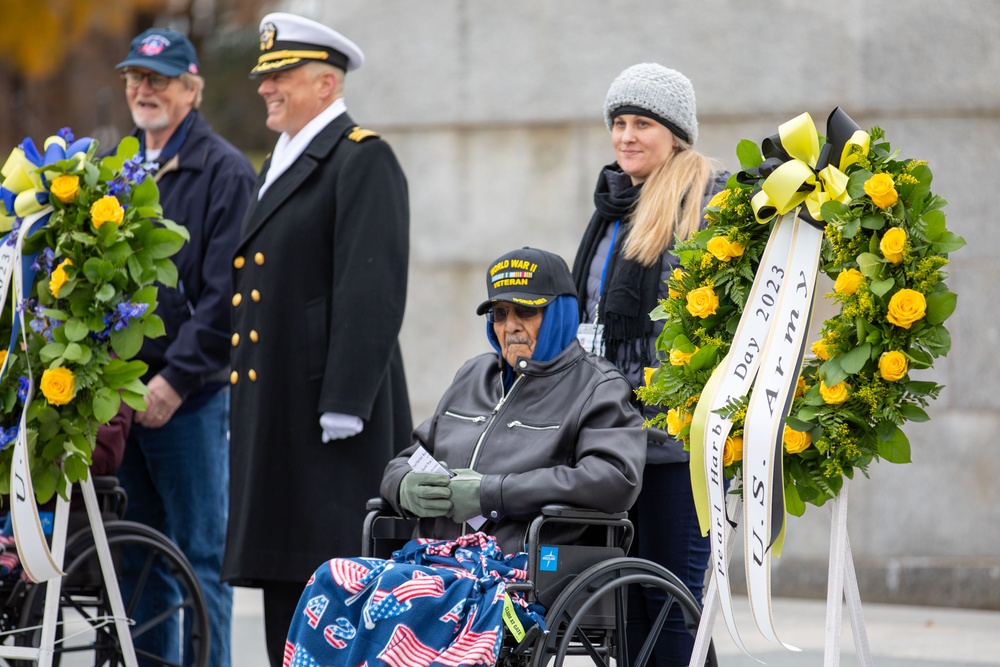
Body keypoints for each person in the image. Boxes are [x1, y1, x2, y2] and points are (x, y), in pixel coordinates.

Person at [282, 247, 645, 665]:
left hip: (516, 569)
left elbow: (616, 478)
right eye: (500, 314)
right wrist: (404, 486)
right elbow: (406, 457)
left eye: (525, 312)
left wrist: (493, 493)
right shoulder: (475, 374)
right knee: (332, 579)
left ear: (560, 311)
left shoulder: (597, 386)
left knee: (409, 597)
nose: (511, 327)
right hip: (432, 557)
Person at [223, 13, 411, 666]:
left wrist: (346, 400)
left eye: (280, 77)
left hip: (330, 426)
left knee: (334, 593)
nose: (265, 88)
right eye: (264, 77)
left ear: (326, 84)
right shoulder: (286, 163)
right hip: (282, 420)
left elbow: (373, 286)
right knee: (289, 588)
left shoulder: (361, 158)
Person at [570, 63, 728, 667]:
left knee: (673, 606)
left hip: (676, 445)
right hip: (613, 437)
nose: (626, 136)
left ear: (676, 134)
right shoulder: (612, 205)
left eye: (642, 123)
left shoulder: (706, 200)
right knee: (631, 613)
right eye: (618, 123)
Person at [112, 27, 257, 667]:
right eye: (137, 79)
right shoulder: (117, 171)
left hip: (189, 402)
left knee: (200, 558)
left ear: (191, 91)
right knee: (138, 558)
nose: (145, 90)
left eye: (160, 80)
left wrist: (174, 380)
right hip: (120, 401)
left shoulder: (225, 172)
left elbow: (230, 292)